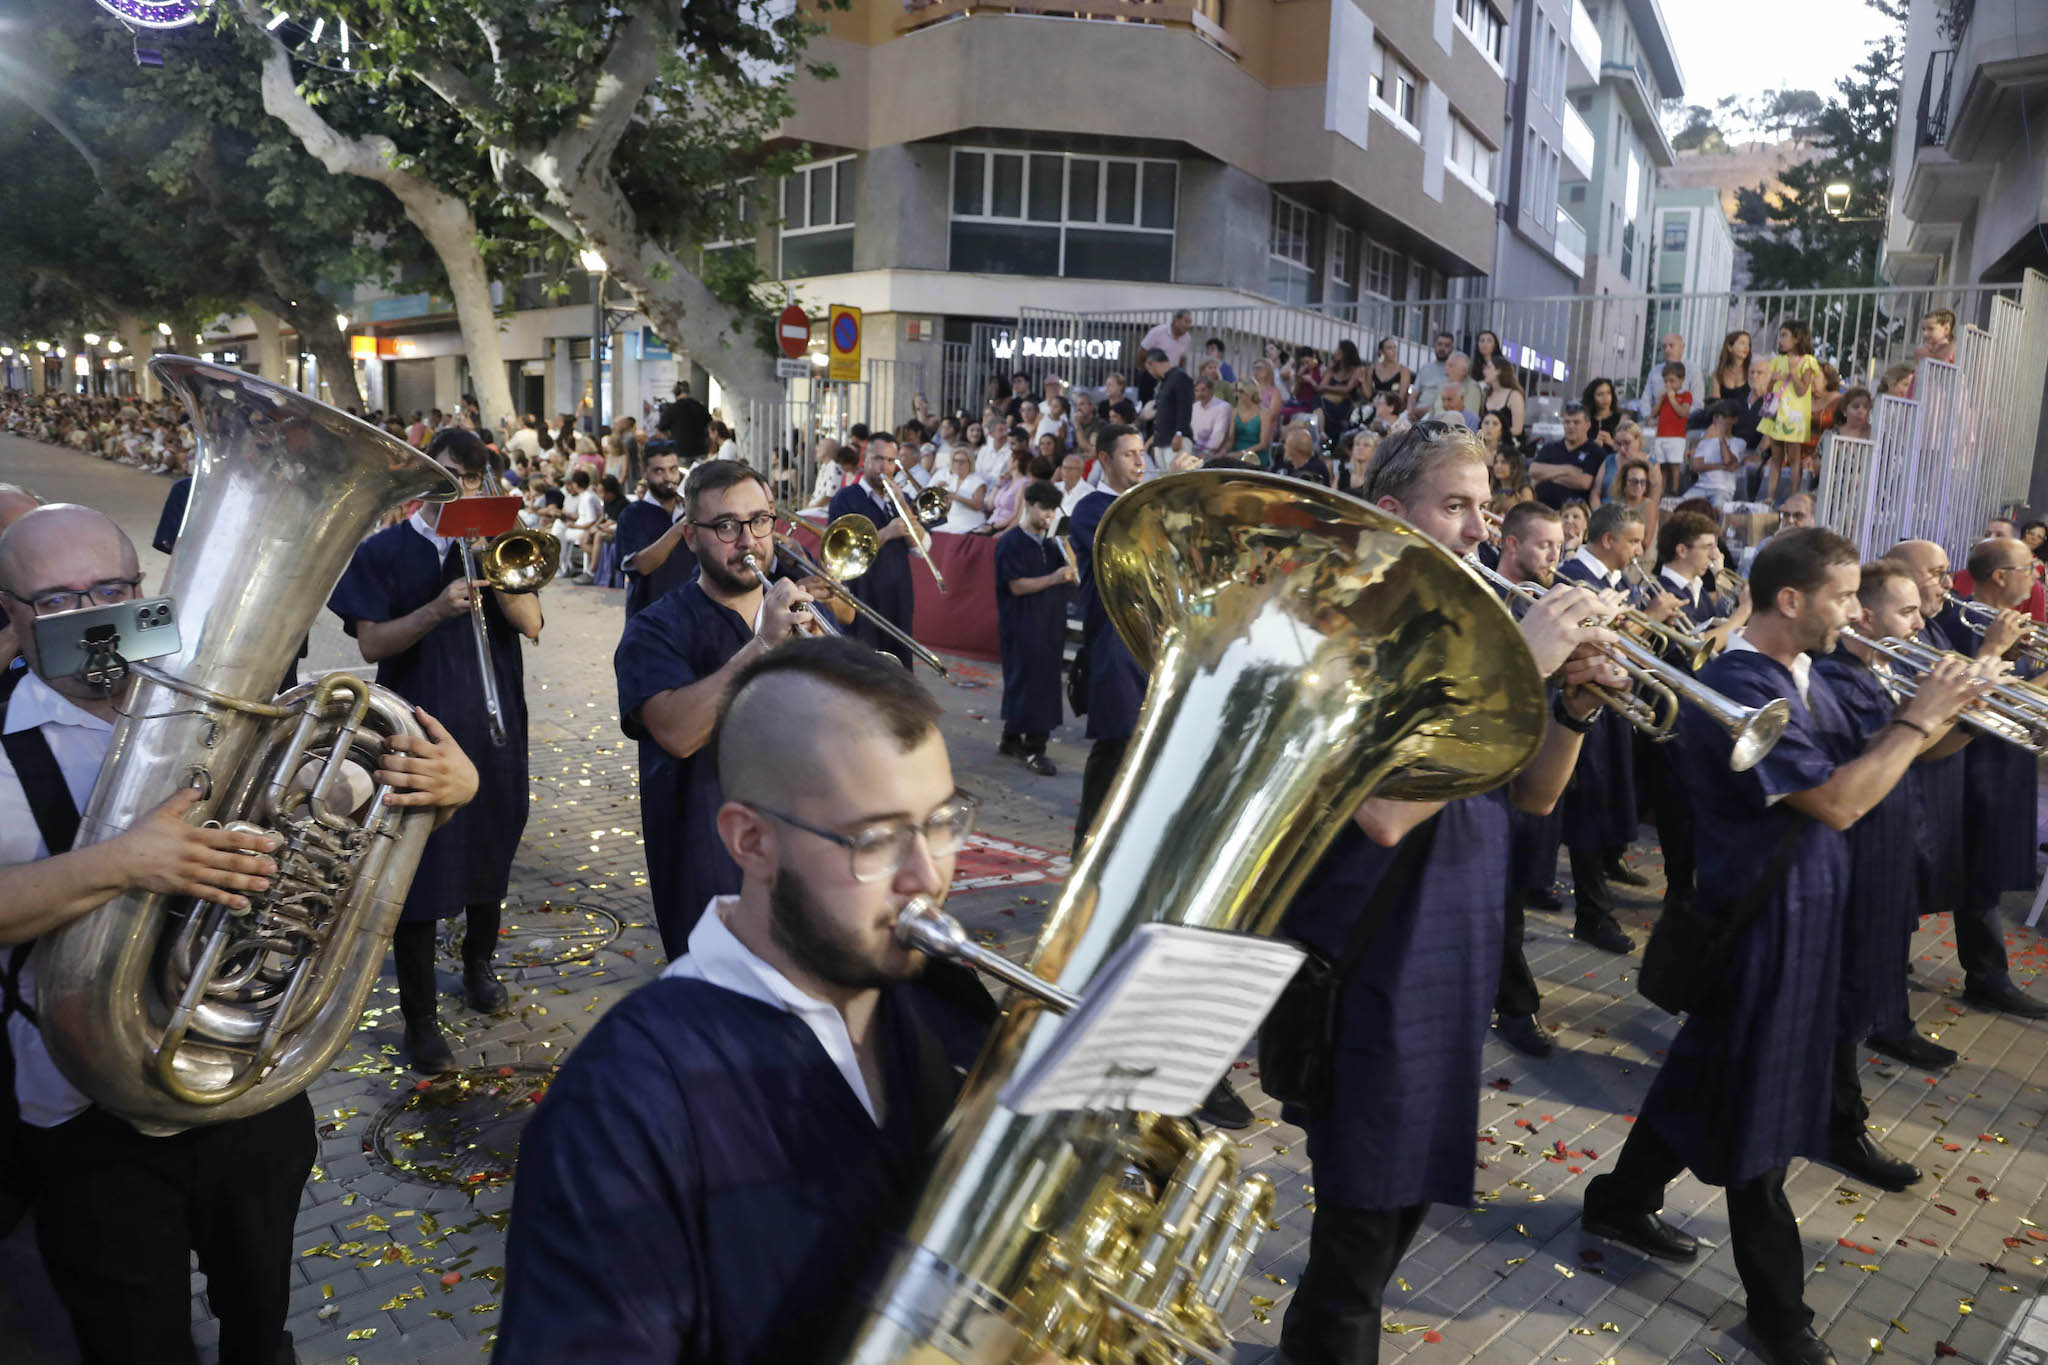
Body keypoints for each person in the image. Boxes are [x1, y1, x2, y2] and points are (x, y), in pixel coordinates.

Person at [2, 503, 477, 1365]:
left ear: (141, 590)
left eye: (111, 589)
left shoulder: (232, 699)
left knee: (261, 1325)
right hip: (82, 1110)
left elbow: (335, 841)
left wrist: (439, 791)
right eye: (59, 600)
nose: (93, 616)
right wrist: (122, 862)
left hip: (244, 1088)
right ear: (11, 612)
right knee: (135, 1342)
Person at [498, 639, 999, 1365]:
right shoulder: (618, 1109)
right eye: (879, 838)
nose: (928, 876)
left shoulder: (929, 997)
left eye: (943, 822)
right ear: (752, 841)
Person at [1581, 529, 1982, 1365]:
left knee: (1705, 1071)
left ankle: (1618, 1200)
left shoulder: (1808, 676)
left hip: (1802, 919)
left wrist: (1953, 715)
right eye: (1842, 597)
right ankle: (1780, 1315)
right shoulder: (1741, 685)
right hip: (1760, 928)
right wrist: (1917, 717)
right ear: (1792, 601)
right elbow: (1838, 802)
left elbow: (1880, 764)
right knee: (1759, 1129)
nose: (1855, 612)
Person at [1275, 423, 1627, 1364]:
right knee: (1358, 1234)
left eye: (1483, 504)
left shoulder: (1468, 634)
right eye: (1456, 505)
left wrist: (1573, 709)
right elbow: (1385, 814)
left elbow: (1535, 794)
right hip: (1367, 965)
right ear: (1393, 515)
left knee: (1392, 1218)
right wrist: (1518, 663)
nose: (1481, 528)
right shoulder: (1346, 631)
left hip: (1449, 956)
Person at [328, 428, 543, 1072]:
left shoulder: (502, 543)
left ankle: (480, 963)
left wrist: (494, 567)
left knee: (493, 843)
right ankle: (420, 1017)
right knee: (416, 872)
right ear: (426, 476)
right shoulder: (384, 551)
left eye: (474, 480)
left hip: (495, 729)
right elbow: (371, 647)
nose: (462, 490)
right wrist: (433, 611)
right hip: (416, 733)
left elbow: (531, 625)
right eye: (450, 475)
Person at [614, 460, 854, 958]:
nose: (748, 541)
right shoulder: (655, 629)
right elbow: (678, 733)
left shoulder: (803, 614)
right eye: (726, 526)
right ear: (691, 539)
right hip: (709, 857)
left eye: (759, 521)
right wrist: (762, 645)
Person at [1816, 560, 1978, 1085]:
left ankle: (1888, 1021)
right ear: (1865, 617)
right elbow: (1887, 750)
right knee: (1852, 961)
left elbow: (1923, 754)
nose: (1917, 623)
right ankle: (1841, 1084)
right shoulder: (1839, 674)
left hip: (1894, 827)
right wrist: (1934, 711)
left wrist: (1973, 717)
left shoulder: (1887, 666)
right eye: (1906, 611)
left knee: (1889, 940)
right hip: (1859, 836)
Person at [1555, 502, 1684, 953]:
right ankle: (1594, 913)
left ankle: (1602, 885)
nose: (1640, 549)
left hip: (1608, 711)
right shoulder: (1573, 577)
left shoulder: (1616, 581)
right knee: (1588, 810)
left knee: (1607, 801)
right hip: (1582, 710)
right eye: (1633, 541)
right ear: (1607, 541)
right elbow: (1595, 654)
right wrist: (1647, 620)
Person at [1946, 536, 2048, 1017]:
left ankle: (1988, 974)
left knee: (1983, 870)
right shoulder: (1965, 620)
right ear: (2001, 576)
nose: (2037, 575)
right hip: (1973, 760)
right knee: (1977, 868)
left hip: (2005, 758)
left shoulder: (2007, 623)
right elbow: (1987, 697)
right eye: (2030, 567)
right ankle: (1988, 976)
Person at [1491, 500, 1572, 1059]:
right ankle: (1516, 1008)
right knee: (1502, 907)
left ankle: (1511, 1003)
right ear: (1512, 544)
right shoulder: (1486, 600)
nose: (1555, 556)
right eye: (1545, 545)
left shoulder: (1545, 605)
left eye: (1561, 547)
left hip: (1534, 769)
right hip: (1485, 774)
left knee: (1510, 898)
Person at [994, 482, 1075, 775]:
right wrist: (1053, 578)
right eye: (1043, 508)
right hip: (1021, 622)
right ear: (1029, 505)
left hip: (1049, 622)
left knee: (1038, 680)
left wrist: (1068, 554)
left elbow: (1074, 577)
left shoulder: (1052, 543)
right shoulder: (1010, 542)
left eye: (1053, 510)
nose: (1048, 516)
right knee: (1028, 681)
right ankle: (1035, 748)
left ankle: (1011, 738)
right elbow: (1016, 586)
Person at [829, 434, 921, 670]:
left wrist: (903, 505)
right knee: (863, 665)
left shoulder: (900, 499)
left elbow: (921, 548)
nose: (885, 466)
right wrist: (887, 533)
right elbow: (842, 554)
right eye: (879, 458)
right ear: (864, 459)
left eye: (891, 461)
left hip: (898, 593)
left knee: (900, 664)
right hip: (862, 593)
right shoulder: (845, 499)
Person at [610, 449, 693, 619]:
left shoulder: (688, 509)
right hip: (648, 615)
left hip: (691, 614)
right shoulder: (632, 514)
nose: (668, 477)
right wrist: (678, 529)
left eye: (673, 469)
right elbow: (642, 566)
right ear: (644, 472)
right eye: (659, 471)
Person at [1529, 404, 1602, 509]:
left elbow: (1583, 482)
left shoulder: (1595, 451)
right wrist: (1568, 470)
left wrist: (1546, 476)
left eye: (1576, 422)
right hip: (1542, 510)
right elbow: (1533, 470)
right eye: (1567, 422)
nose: (1571, 426)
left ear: (1587, 425)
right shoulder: (1550, 447)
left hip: (1574, 514)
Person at [1688, 400, 1749, 510]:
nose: (1718, 420)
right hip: (1700, 487)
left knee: (1718, 510)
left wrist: (1721, 438)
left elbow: (1727, 461)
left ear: (1734, 420)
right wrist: (1720, 466)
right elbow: (1695, 466)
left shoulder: (1739, 442)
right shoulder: (1705, 442)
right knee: (1676, 506)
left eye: (1724, 417)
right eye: (1716, 417)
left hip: (1722, 491)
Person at [1144, 347, 1193, 471]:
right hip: (1162, 440)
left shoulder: (1179, 377)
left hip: (1175, 439)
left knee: (1177, 479)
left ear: (1152, 364)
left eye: (1148, 369)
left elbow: (1185, 408)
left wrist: (1179, 433)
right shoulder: (1164, 382)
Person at [657, 380, 711, 462]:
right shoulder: (700, 407)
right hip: (700, 452)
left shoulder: (672, 409)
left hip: (680, 453)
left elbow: (661, 428)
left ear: (676, 392)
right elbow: (710, 424)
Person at [1406, 332, 1455, 417]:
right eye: (1439, 344)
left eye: (1446, 345)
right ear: (1435, 345)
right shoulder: (1426, 368)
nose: (1442, 348)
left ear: (1451, 348)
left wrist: (1420, 412)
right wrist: (1410, 411)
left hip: (1438, 413)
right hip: (1416, 412)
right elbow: (1413, 396)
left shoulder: (1454, 371)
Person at [1368, 336, 1411, 415]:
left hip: (1392, 409)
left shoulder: (1403, 370)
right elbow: (1368, 395)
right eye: (1389, 348)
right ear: (1381, 351)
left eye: (1395, 347)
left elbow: (1401, 398)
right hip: (1373, 407)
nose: (1394, 351)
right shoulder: (1373, 368)